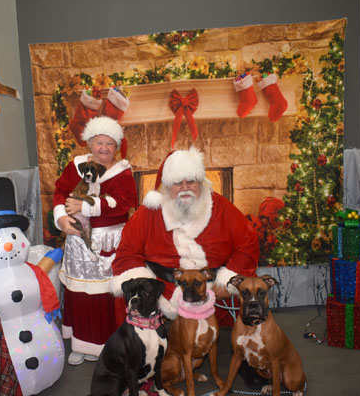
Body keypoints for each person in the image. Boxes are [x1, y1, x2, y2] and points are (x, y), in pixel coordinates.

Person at [110, 146, 266, 388]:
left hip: (210, 283)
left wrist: (228, 280)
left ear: (200, 181)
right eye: (177, 182)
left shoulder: (220, 207)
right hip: (163, 285)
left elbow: (248, 242)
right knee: (130, 297)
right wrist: (146, 286)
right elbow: (128, 252)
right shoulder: (148, 212)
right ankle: (138, 358)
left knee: (250, 292)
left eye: (190, 181)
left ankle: (250, 359)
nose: (184, 187)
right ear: (166, 186)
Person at [53, 116, 138, 366]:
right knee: (79, 290)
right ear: (90, 143)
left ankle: (105, 343)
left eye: (109, 144)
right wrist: (61, 219)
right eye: (99, 143)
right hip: (79, 240)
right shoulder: (76, 165)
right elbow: (59, 192)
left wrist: (86, 207)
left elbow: (125, 204)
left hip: (109, 241)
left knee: (106, 293)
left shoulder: (122, 171)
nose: (103, 149)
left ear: (117, 146)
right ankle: (80, 341)